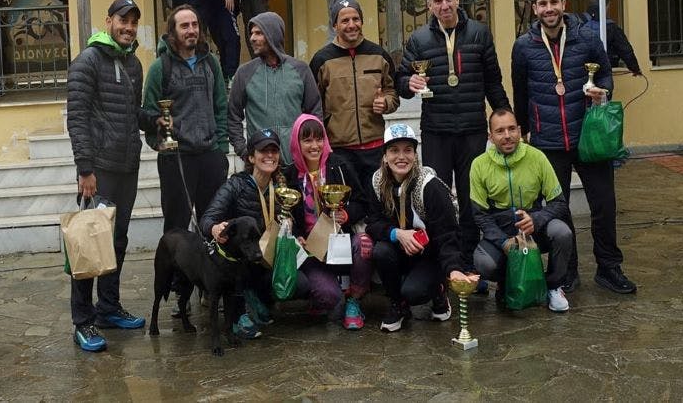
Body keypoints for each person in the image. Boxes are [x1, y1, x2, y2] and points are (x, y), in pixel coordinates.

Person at [511, 0, 636, 294]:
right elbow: (520, 91)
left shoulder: (587, 37)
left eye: (554, 2)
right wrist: (524, 132)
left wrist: (603, 91)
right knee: (559, 209)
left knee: (604, 205)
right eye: (543, 4)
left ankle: (609, 268)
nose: (549, 9)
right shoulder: (523, 46)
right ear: (535, 9)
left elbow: (604, 73)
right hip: (548, 140)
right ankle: (568, 271)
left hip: (589, 136)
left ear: (563, 4)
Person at [396, 0, 510, 274]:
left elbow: (493, 81)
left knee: (473, 199)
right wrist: (410, 82)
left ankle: (469, 263)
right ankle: (445, 265)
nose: (444, 5)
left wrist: (505, 118)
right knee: (438, 199)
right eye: (438, 1)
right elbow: (401, 83)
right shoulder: (418, 39)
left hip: (472, 130)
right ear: (429, 5)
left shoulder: (479, 34)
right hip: (437, 131)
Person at [65, 0, 147, 352]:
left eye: (133, 22)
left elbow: (133, 113)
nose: (128, 28)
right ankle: (83, 321)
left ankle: (108, 308)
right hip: (99, 170)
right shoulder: (87, 61)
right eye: (122, 20)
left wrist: (156, 121)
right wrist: (85, 168)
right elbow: (77, 117)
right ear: (109, 20)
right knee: (88, 244)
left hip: (128, 167)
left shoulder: (134, 64)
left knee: (117, 242)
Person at [366, 123, 479, 332]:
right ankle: (397, 304)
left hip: (429, 255)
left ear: (415, 155)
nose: (401, 157)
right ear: (385, 156)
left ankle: (439, 291)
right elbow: (372, 222)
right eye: (394, 151)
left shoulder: (429, 186)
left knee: (414, 293)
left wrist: (453, 269)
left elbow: (448, 233)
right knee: (380, 252)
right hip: (398, 250)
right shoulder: (377, 182)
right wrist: (397, 234)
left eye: (408, 150)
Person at [470, 108, 573, 312]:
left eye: (511, 129)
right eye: (500, 131)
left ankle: (553, 286)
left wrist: (537, 219)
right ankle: (506, 283)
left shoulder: (537, 157)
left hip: (534, 226)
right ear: (490, 137)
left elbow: (559, 203)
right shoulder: (479, 165)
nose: (507, 135)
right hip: (501, 229)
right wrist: (503, 242)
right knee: (484, 262)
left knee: (562, 232)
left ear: (519, 130)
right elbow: (480, 215)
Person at [141, 5, 229, 237]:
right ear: (173, 31)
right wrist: (160, 144)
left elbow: (221, 106)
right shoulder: (160, 68)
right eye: (184, 26)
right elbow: (149, 112)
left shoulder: (211, 63)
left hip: (210, 156)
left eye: (195, 24)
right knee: (176, 228)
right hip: (176, 159)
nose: (191, 30)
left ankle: (208, 262)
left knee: (213, 225)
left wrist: (221, 149)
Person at [284, 114, 373, 330]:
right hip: (312, 252)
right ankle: (322, 295)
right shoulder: (290, 175)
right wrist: (297, 235)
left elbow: (363, 202)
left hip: (342, 243)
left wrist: (347, 214)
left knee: (364, 244)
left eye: (319, 139)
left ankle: (354, 300)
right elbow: (286, 215)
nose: (314, 146)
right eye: (307, 140)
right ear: (296, 142)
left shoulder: (339, 166)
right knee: (328, 297)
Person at [200, 128, 284, 340]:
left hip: (266, 254)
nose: (270, 156)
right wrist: (214, 228)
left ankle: (256, 299)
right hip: (240, 258)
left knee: (301, 283)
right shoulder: (235, 185)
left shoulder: (281, 187)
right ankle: (238, 313)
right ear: (251, 157)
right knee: (238, 270)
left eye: (274, 151)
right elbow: (207, 218)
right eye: (263, 151)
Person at [310, 0, 399, 195]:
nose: (351, 25)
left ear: (362, 21)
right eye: (345, 20)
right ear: (335, 25)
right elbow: (313, 105)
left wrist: (386, 102)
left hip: (375, 146)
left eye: (356, 19)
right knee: (347, 205)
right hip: (339, 149)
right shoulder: (322, 60)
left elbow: (393, 93)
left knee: (377, 201)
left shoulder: (379, 55)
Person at [227, 11, 322, 164]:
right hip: (261, 163)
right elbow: (233, 116)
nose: (252, 38)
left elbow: (315, 114)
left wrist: (311, 148)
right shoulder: (244, 73)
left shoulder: (301, 69)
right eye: (252, 33)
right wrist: (244, 151)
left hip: (297, 162)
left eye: (259, 33)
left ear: (273, 35)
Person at [580, 0, 642, 76]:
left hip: (582, 70)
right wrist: (635, 68)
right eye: (608, 7)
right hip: (603, 69)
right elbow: (625, 50)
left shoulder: (580, 24)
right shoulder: (611, 27)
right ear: (604, 7)